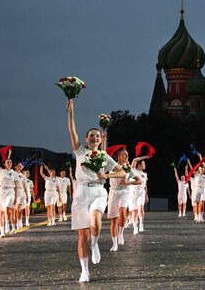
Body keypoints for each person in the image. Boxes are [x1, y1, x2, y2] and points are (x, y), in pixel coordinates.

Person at [67, 98, 126, 282]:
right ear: (87, 139)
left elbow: (122, 172)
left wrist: (107, 176)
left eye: (97, 136)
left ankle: (95, 244)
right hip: (81, 193)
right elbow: (72, 131)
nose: (94, 138)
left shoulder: (105, 156)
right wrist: (71, 111)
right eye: (91, 135)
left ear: (101, 140)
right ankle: (85, 271)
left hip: (99, 192)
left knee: (95, 219)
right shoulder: (80, 152)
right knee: (82, 235)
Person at [108, 148, 141, 251]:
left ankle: (121, 233)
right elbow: (104, 154)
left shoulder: (128, 168)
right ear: (118, 156)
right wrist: (104, 139)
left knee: (122, 211)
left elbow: (139, 181)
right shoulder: (111, 165)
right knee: (114, 219)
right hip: (114, 192)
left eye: (127, 155)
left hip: (124, 192)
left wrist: (129, 183)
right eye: (124, 155)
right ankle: (114, 244)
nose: (126, 157)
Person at [0, 150, 18, 237]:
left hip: (10, 191)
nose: (9, 163)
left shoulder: (14, 173)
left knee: (6, 207)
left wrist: (16, 197)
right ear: (4, 163)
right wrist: (8, 154)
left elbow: (16, 186)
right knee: (1, 213)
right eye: (7, 162)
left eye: (10, 162)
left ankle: (7, 225)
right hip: (2, 191)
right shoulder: (0, 170)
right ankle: (2, 231)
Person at [129, 156, 150, 235]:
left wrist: (146, 195)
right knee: (134, 211)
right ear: (139, 165)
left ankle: (141, 224)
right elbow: (134, 159)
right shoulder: (133, 170)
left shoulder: (145, 174)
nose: (145, 165)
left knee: (140, 208)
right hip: (133, 192)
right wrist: (145, 156)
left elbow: (145, 185)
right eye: (143, 164)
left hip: (141, 192)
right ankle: (135, 228)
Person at [14, 162, 28, 231]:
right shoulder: (13, 173)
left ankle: (19, 222)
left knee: (20, 209)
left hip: (22, 192)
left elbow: (24, 185)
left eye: (21, 166)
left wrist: (26, 194)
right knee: (17, 209)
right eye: (18, 166)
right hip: (15, 192)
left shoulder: (23, 175)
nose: (20, 167)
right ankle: (16, 223)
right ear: (15, 167)